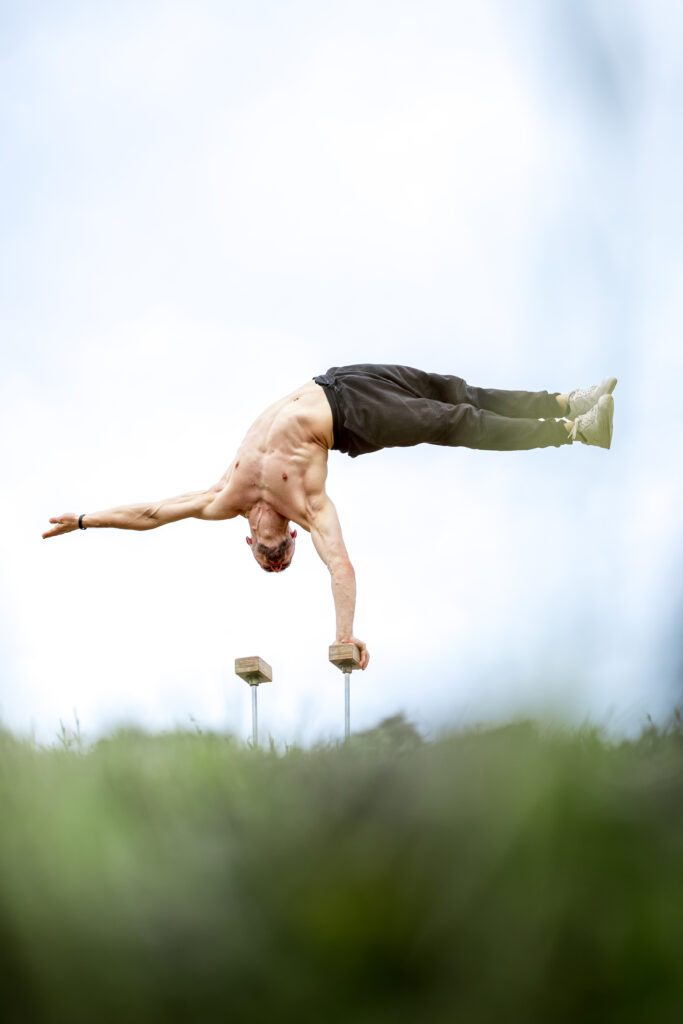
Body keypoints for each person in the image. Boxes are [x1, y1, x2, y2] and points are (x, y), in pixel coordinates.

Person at [42, 364, 616, 670]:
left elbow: (150, 513)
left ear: (253, 540)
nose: (275, 553)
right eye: (281, 559)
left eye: (273, 556)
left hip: (336, 379)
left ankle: (565, 401)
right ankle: (572, 432)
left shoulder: (225, 498)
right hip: (350, 417)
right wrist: (344, 637)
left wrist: (86, 519)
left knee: (452, 388)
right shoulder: (310, 508)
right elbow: (341, 567)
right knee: (455, 420)